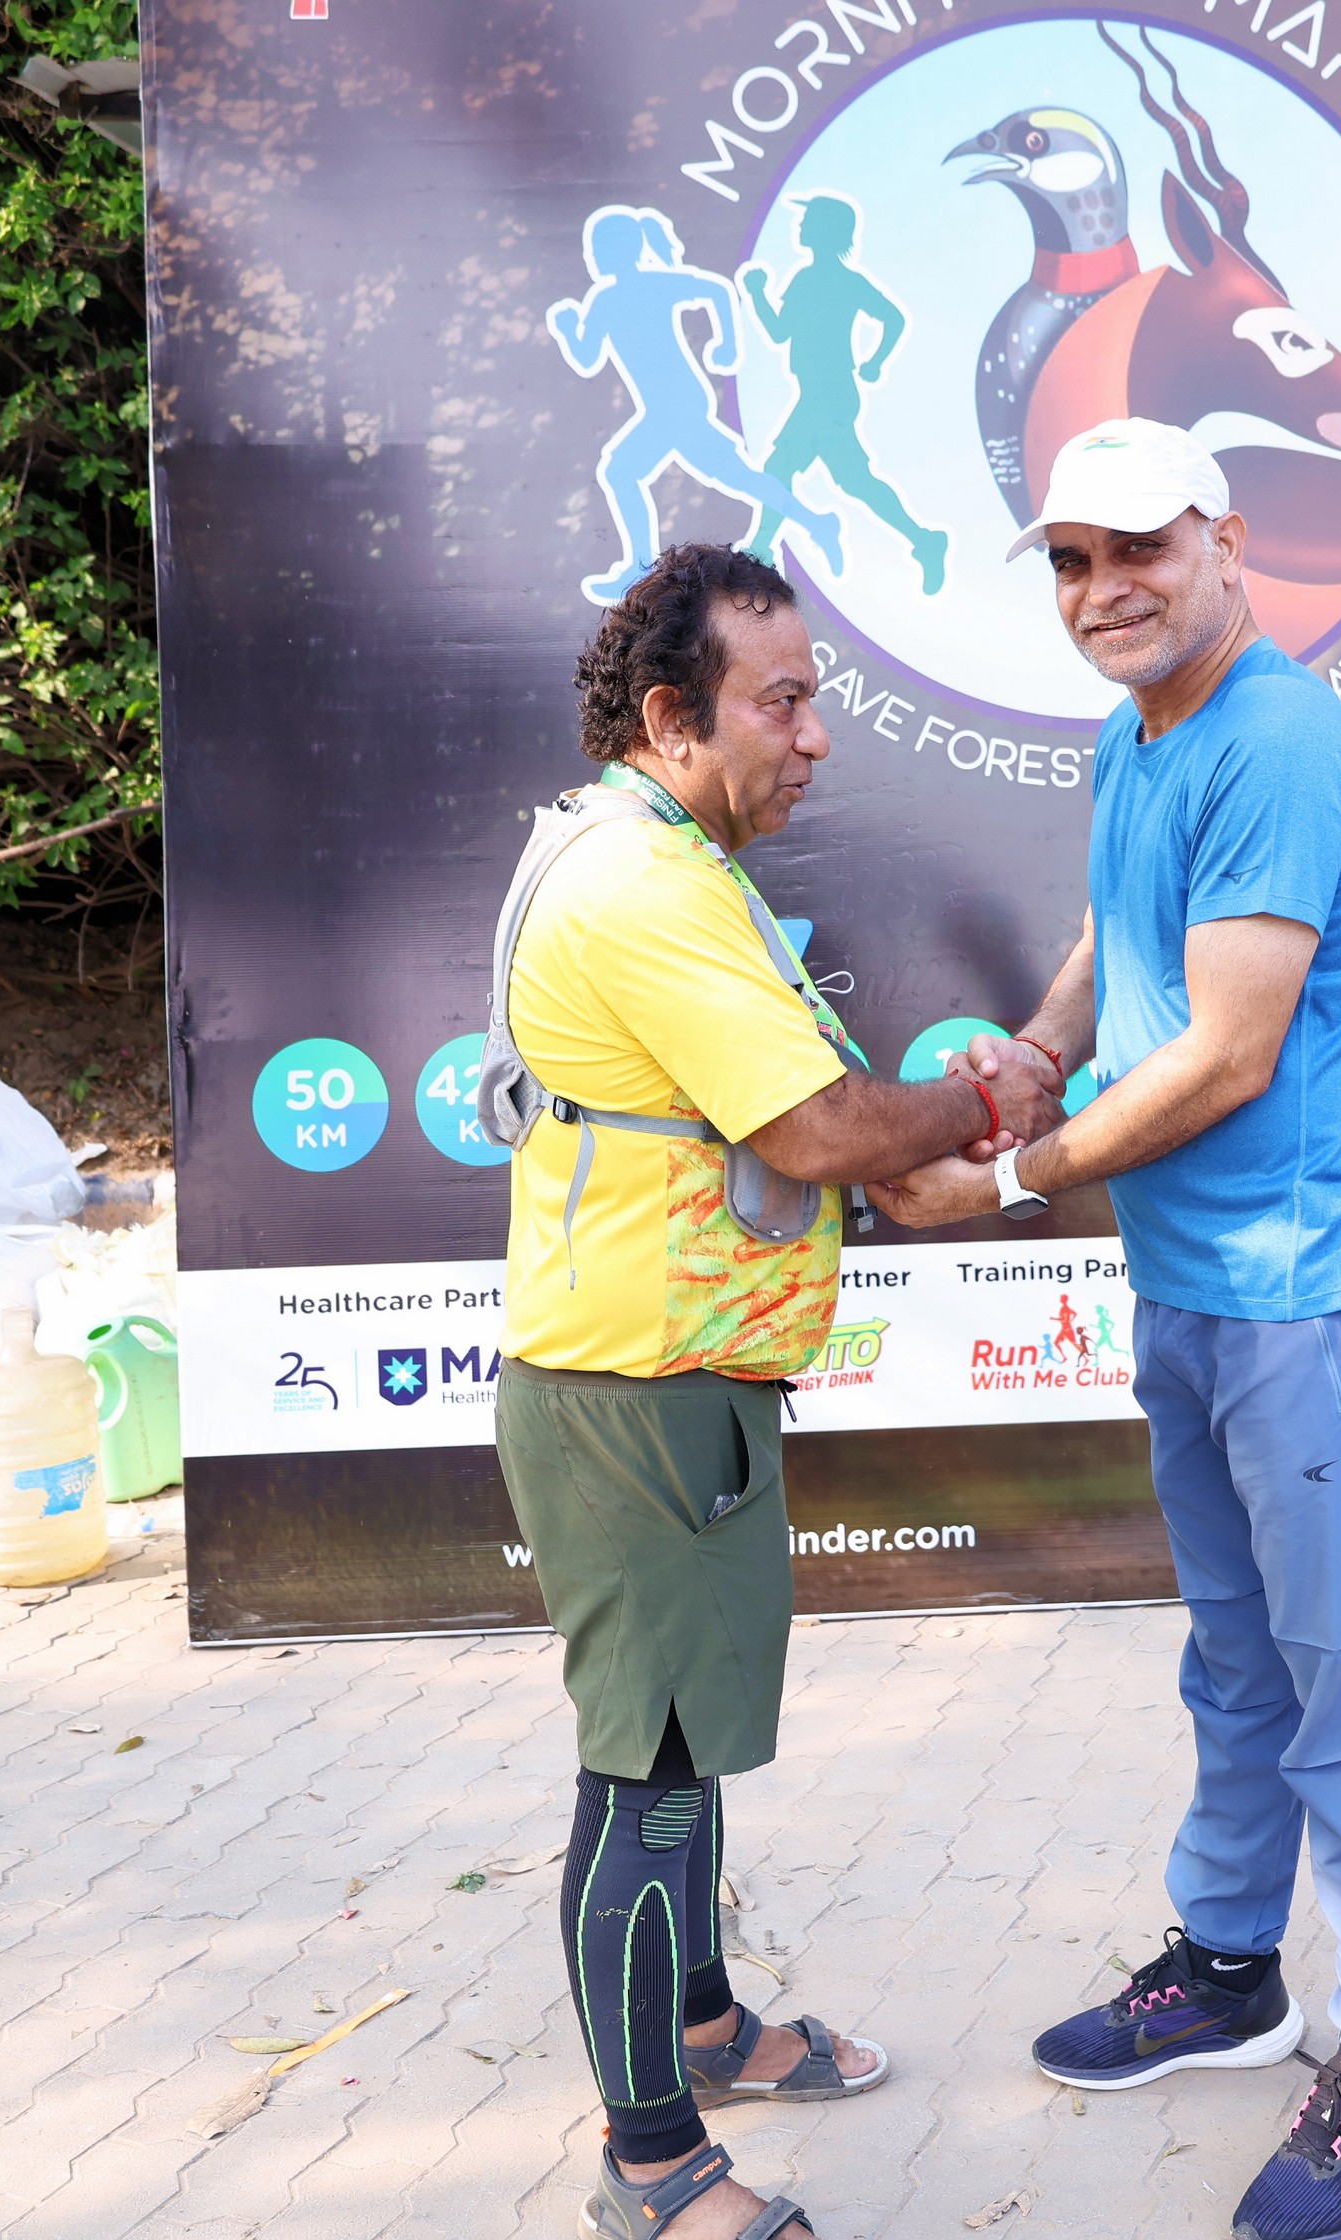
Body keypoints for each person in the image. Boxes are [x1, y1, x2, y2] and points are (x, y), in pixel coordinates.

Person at [874, 418, 1341, 2240]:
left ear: (1225, 541)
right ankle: (1229, 1966)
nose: (1104, 587)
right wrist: (1043, 1047)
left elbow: (1226, 1050)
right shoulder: (1145, 736)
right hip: (1199, 1285)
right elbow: (1117, 935)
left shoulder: (1273, 738)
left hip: (1316, 1288)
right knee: (1238, 1660)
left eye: (1139, 546)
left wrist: (1008, 1172)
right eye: (1071, 558)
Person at [489, 543, 1058, 2240]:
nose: (816, 738)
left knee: (684, 1741)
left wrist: (932, 1135)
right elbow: (813, 1128)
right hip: (638, 1393)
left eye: (818, 700)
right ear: (674, 718)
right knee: (648, 1773)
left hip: (671, 1380)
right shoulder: (645, 887)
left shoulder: (655, 852)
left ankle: (706, 2028)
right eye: (785, 703)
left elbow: (790, 1112)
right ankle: (652, 2165)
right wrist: (990, 1102)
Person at [547, 207, 845, 606]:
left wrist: (727, 344)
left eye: (599, 248)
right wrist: (568, 329)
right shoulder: (603, 301)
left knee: (624, 471)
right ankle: (817, 522)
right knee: (730, 476)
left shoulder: (653, 284)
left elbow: (716, 291)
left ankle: (638, 567)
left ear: (623, 251)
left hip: (680, 403)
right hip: (665, 408)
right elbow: (587, 357)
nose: (592, 258)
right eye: (591, 250)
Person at [741, 196, 948, 592]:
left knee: (784, 465)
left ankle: (762, 546)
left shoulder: (838, 279)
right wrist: (757, 294)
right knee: (852, 480)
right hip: (821, 394)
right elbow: (781, 332)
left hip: (829, 395)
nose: (799, 226)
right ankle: (924, 540)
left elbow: (892, 317)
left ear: (825, 230)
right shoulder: (806, 278)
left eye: (807, 220)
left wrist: (875, 361)